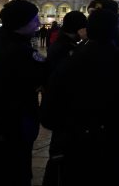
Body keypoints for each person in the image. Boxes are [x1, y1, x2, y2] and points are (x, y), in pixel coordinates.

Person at [41, 9, 119, 186]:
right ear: (115, 31)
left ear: (88, 30)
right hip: (114, 147)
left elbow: (48, 115)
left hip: (76, 150)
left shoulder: (69, 62)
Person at [0, 0, 46, 186]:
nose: (39, 23)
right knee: (14, 176)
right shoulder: (18, 50)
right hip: (10, 128)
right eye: (34, 19)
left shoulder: (1, 42)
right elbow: (45, 74)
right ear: (22, 22)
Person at [41, 10, 87, 186]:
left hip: (60, 110)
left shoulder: (62, 43)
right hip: (64, 111)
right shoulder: (65, 47)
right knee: (61, 157)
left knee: (60, 156)